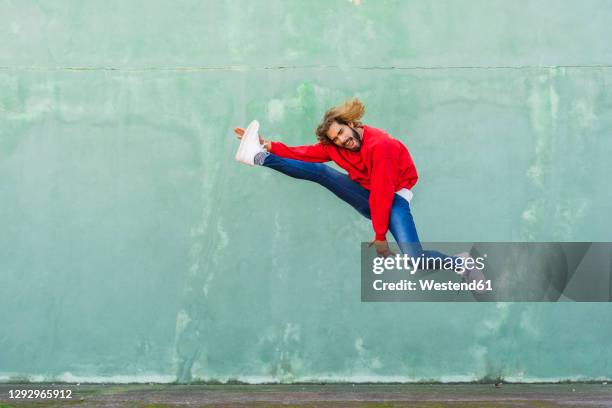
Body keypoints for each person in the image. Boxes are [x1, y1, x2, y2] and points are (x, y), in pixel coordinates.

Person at [234, 98, 476, 276]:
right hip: (366, 196)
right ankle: (259, 157)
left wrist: (380, 236)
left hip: (393, 200)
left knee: (416, 260)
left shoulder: (380, 146)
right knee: (321, 172)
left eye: (341, 132)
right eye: (336, 138)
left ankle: (461, 263)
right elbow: (307, 154)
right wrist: (269, 145)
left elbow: (382, 193)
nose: (342, 140)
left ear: (351, 123)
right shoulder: (337, 146)